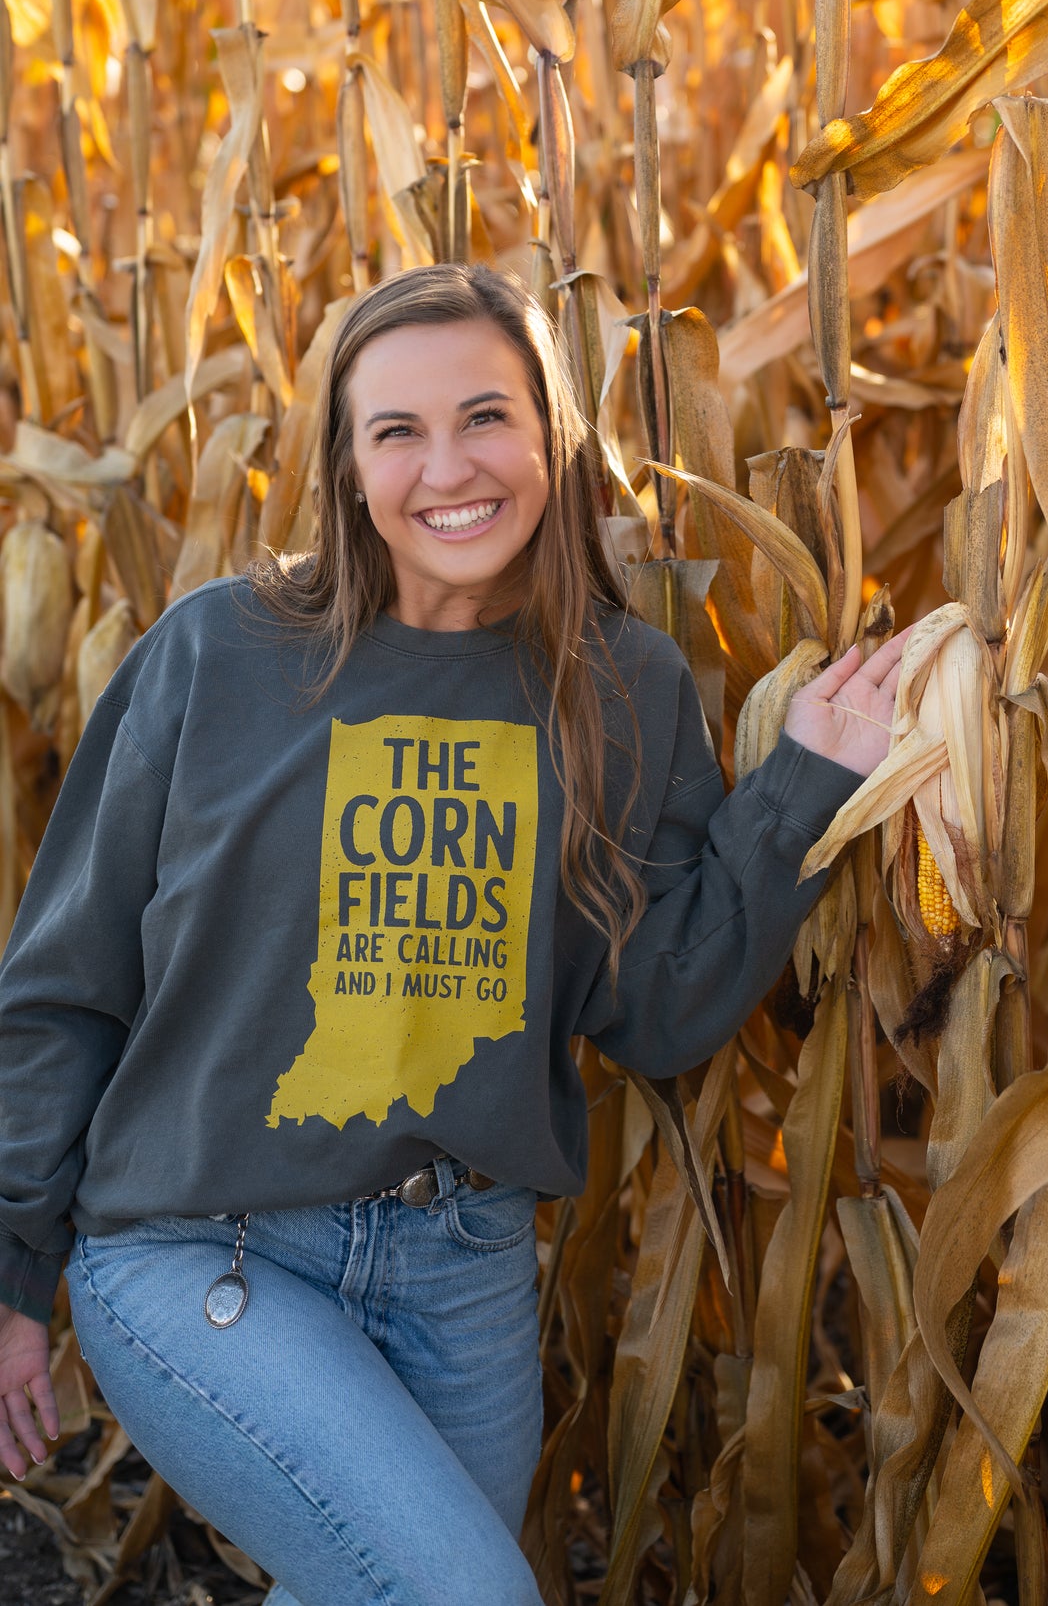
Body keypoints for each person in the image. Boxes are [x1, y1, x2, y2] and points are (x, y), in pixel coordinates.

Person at [0, 263, 903, 1605]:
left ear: (551, 438)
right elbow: (66, 984)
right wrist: (13, 1270)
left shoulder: (621, 684)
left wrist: (804, 791)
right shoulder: (216, 655)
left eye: (486, 417)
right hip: (206, 1253)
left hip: (463, 1270)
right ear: (347, 466)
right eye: (397, 432)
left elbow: (652, 1006)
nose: (447, 469)